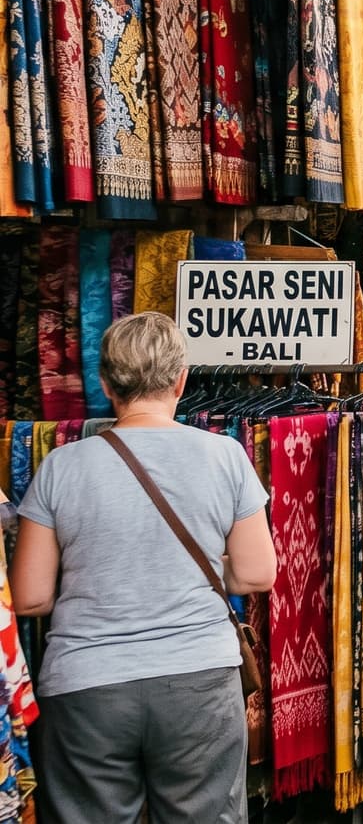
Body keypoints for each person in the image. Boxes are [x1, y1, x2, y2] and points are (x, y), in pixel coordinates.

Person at [10, 311, 275, 823]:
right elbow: (256, 574)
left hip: (86, 686)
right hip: (198, 681)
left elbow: (30, 596)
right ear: (181, 380)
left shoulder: (60, 467)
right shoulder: (225, 456)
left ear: (107, 384)